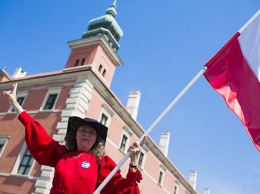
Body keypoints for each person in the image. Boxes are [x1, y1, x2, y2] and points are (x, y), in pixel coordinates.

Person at [3, 83, 145, 194]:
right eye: (82, 130)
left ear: (96, 140)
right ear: (75, 136)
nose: (86, 134)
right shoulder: (61, 154)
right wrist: (15, 104)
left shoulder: (102, 163)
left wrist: (133, 162)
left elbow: (124, 190)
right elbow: (37, 132)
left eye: (91, 132)